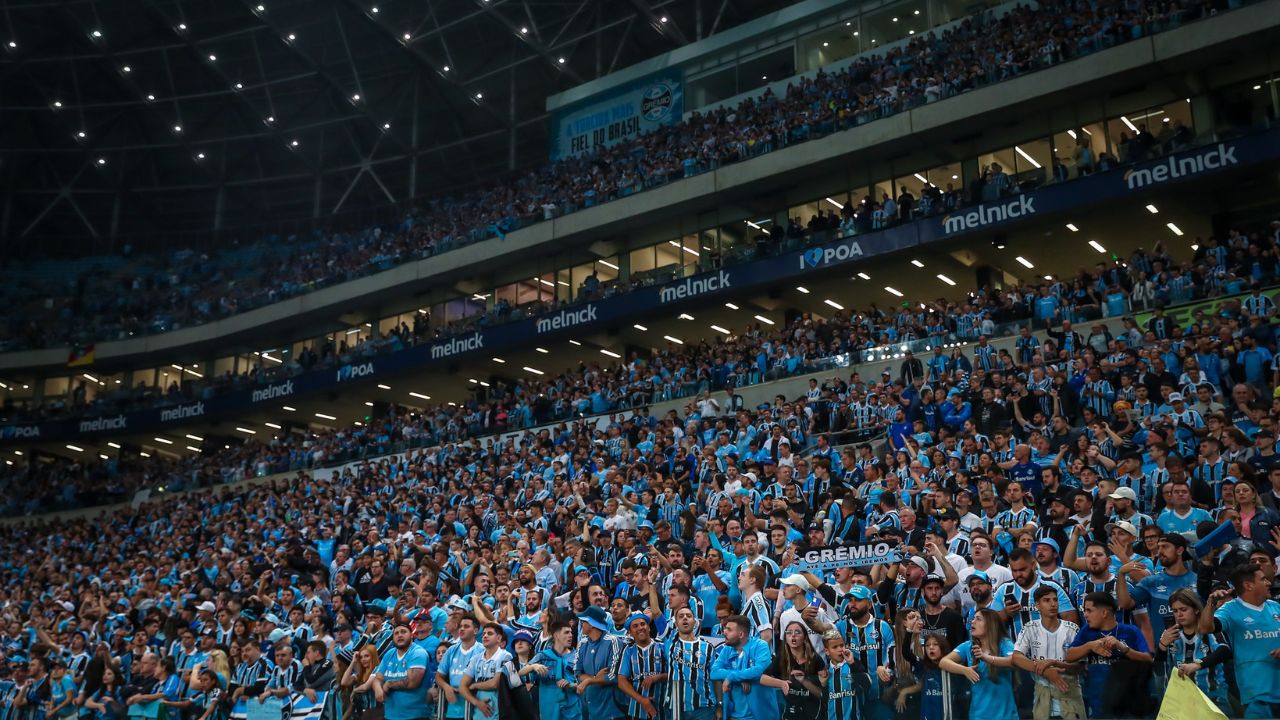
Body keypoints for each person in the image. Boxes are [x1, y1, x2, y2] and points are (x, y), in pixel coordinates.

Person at [1201, 563, 1280, 718]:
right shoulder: (1230, 609)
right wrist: (1210, 603)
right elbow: (1205, 628)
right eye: (1263, 579)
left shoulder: (1275, 607)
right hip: (1257, 696)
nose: (1269, 582)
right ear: (1248, 585)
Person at [1065, 592, 1153, 718]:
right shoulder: (1087, 632)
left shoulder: (1130, 631)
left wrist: (1123, 648)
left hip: (1127, 705)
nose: (1085, 615)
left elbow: (1148, 659)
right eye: (1084, 611)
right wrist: (1089, 646)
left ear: (1104, 613)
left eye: (1089, 610)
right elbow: (1069, 656)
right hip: (1098, 704)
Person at [1011, 585, 1086, 720]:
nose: (1053, 604)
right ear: (1037, 605)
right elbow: (1016, 657)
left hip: (1069, 694)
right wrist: (1046, 672)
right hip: (1041, 698)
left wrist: (1056, 664)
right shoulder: (1029, 628)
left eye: (1055, 600)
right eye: (1047, 600)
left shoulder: (1072, 629)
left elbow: (1080, 666)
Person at [1157, 588, 1232, 716]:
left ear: (1196, 609)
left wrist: (1198, 664)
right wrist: (1162, 645)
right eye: (1175, 611)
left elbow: (1225, 650)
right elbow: (1158, 670)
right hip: (1183, 701)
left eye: (1183, 609)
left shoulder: (1209, 629)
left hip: (1213, 697)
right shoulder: (1170, 634)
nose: (1179, 614)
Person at [939, 609, 1017, 720]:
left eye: (978, 619)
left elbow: (1013, 661)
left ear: (990, 624)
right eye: (973, 618)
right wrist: (964, 670)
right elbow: (943, 662)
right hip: (978, 715)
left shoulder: (1004, 643)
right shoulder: (968, 646)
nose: (972, 622)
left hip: (1005, 715)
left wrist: (986, 657)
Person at [761, 620, 825, 720]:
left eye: (797, 632)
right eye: (789, 632)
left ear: (804, 638)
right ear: (785, 638)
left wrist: (804, 681)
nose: (793, 635)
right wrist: (781, 683)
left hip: (813, 713)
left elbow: (822, 694)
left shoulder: (815, 659)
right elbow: (762, 678)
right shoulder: (782, 658)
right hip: (790, 713)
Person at [667, 605, 718, 720]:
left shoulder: (708, 647)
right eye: (681, 616)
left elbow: (715, 678)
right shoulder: (670, 642)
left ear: (695, 622)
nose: (685, 618)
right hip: (676, 706)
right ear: (676, 624)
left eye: (688, 616)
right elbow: (656, 613)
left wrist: (719, 704)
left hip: (704, 707)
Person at [574, 606, 623, 720]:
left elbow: (614, 676)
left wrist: (589, 680)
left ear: (591, 624)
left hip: (610, 710)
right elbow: (577, 672)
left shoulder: (613, 641)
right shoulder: (582, 643)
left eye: (583, 621)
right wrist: (596, 678)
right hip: (589, 707)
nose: (581, 624)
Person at [460, 623, 514, 720]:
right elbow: (462, 686)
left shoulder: (505, 656)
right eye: (484, 633)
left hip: (498, 713)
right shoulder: (475, 659)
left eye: (490, 633)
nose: (485, 636)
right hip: (478, 714)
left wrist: (475, 685)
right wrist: (477, 703)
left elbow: (495, 683)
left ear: (499, 638)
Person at [617, 614, 667, 720]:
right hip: (637, 708)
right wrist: (642, 700)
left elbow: (674, 674)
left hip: (663, 707)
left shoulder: (662, 646)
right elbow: (621, 681)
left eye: (643, 624)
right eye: (635, 626)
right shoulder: (628, 651)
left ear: (649, 627)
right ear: (630, 632)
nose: (640, 628)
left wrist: (656, 677)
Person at [529, 624, 581, 720]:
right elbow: (523, 673)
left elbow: (584, 685)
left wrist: (571, 685)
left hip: (573, 711)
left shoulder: (578, 657)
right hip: (549, 709)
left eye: (571, 633)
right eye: (566, 632)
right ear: (556, 635)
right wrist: (533, 666)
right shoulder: (543, 656)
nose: (571, 635)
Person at [437, 616, 483, 720]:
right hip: (452, 711)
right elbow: (439, 676)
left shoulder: (482, 650)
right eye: (461, 626)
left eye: (466, 626)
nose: (462, 629)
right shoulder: (451, 650)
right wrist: (446, 687)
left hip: (474, 711)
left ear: (475, 631)